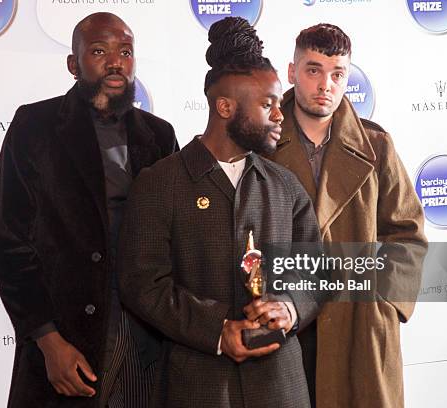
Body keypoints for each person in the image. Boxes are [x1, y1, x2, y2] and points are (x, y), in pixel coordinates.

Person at [117, 17, 321, 408]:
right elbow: (142, 283)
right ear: (225, 106)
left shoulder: (285, 185)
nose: (280, 116)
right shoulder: (160, 183)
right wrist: (217, 330)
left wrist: (291, 306)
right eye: (268, 105)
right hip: (198, 386)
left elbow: (314, 266)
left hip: (282, 388)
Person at [0, 12, 178, 408]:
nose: (115, 62)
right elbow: (9, 242)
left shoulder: (159, 135)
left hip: (146, 339)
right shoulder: (34, 126)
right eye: (99, 51)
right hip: (68, 338)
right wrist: (47, 339)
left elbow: (175, 238)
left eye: (125, 52)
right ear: (74, 65)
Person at [268, 24, 427, 408]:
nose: (326, 84)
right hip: (287, 324)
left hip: (360, 327)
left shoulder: (376, 146)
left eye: (337, 74)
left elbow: (408, 234)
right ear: (292, 72)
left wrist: (380, 300)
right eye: (313, 70)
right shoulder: (262, 144)